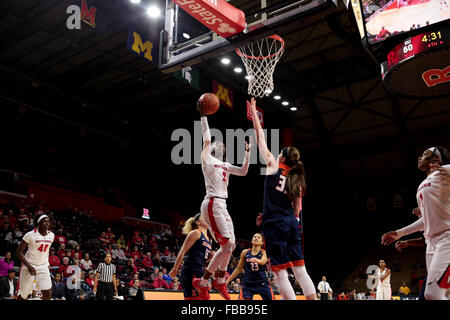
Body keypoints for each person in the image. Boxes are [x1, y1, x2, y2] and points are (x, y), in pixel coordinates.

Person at [249, 98, 317, 301]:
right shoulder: (297, 178)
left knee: (280, 272)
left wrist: (254, 112)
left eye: (280, 153)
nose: (277, 154)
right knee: (300, 268)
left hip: (276, 223)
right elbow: (297, 210)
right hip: (290, 222)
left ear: (283, 159)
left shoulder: (272, 165)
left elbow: (260, 137)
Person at [192, 105, 251, 300]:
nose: (219, 144)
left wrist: (248, 152)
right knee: (226, 246)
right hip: (211, 203)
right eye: (216, 143)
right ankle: (205, 282)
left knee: (232, 245)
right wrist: (203, 117)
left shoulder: (225, 164)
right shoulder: (206, 159)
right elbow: (207, 138)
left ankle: (217, 280)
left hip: (222, 204)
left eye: (221, 144)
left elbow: (243, 171)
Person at [382, 146, 450, 300]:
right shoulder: (423, 185)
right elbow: (425, 220)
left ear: (435, 159)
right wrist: (399, 233)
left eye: (425, 154)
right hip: (431, 243)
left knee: (432, 293)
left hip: (447, 239)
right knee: (445, 293)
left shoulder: (444, 172)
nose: (420, 157)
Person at [169, 213, 212, 300]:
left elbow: (202, 257)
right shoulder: (196, 233)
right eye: (204, 217)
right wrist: (175, 269)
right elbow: (182, 251)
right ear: (198, 222)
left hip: (200, 270)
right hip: (191, 270)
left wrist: (210, 259)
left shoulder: (208, 239)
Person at [16, 214, 54, 300]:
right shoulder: (30, 235)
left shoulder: (52, 235)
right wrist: (29, 266)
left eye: (48, 221)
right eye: (44, 222)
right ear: (38, 224)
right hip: (29, 265)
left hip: (43, 266)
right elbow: (19, 252)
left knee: (48, 292)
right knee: (23, 295)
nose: (47, 223)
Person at [226, 233, 274, 300]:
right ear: (252, 241)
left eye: (258, 237)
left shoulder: (264, 252)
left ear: (262, 242)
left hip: (262, 282)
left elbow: (263, 261)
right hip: (248, 283)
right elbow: (238, 268)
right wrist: (228, 280)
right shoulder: (245, 252)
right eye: (254, 237)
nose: (256, 238)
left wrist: (257, 260)